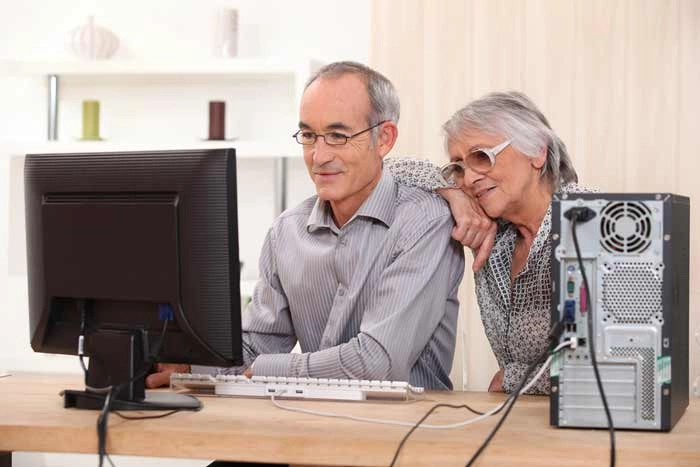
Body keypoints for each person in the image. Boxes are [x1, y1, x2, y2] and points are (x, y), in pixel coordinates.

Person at [147, 61, 465, 391]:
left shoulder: (424, 222)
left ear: (384, 139)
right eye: (309, 135)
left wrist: (264, 368)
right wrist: (189, 364)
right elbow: (254, 347)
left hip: (409, 433)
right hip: (310, 427)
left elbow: (378, 363)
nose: (319, 155)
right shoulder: (286, 232)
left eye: (338, 136)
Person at [384, 91, 592, 394]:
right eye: (459, 167)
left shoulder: (590, 222)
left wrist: (511, 378)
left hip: (587, 427)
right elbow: (380, 170)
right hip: (516, 424)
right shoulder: (493, 233)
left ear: (537, 152)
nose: (468, 179)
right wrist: (449, 191)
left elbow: (610, 361)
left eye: (482, 157)